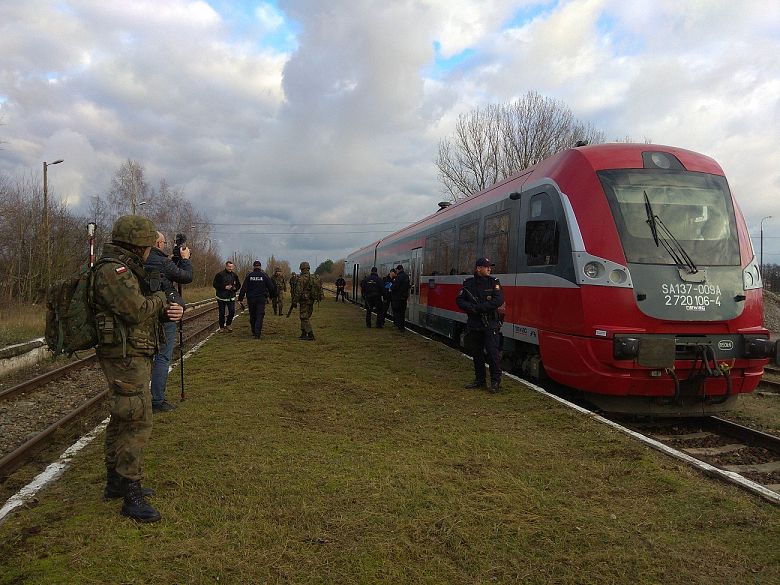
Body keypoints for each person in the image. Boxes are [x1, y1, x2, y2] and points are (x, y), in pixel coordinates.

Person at [93, 215, 184, 523]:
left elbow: (142, 313)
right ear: (137, 244)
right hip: (124, 356)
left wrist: (168, 311)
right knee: (136, 419)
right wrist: (162, 297)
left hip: (132, 352)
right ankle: (130, 491)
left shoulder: (128, 270)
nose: (150, 251)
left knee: (123, 417)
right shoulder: (113, 271)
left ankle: (116, 482)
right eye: (148, 245)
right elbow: (136, 310)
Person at [145, 231, 192, 413]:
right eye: (163, 243)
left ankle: (140, 399)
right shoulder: (162, 262)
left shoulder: (137, 260)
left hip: (143, 312)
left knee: (143, 357)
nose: (164, 246)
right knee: (162, 357)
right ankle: (157, 400)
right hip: (166, 313)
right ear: (158, 243)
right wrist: (185, 259)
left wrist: (172, 258)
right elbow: (186, 276)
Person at [455, 257, 505, 393]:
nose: (489, 269)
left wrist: (480, 308)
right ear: (478, 268)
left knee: (493, 353)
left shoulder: (494, 282)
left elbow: (499, 300)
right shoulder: (468, 284)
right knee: (477, 354)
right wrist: (470, 307)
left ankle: (495, 382)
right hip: (474, 324)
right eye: (486, 266)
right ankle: (480, 380)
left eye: (490, 267)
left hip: (490, 323)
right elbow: (459, 300)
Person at [237, 261, 276, 339]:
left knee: (252, 315)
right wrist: (272, 296)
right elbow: (271, 287)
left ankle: (254, 331)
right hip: (261, 299)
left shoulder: (249, 276)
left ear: (253, 267)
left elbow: (244, 288)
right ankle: (257, 334)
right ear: (260, 267)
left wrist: (240, 299)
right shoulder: (264, 276)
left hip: (251, 299)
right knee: (260, 315)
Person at [290, 261, 323, 340]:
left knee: (304, 317)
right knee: (305, 316)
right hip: (311, 300)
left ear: (301, 268)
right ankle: (303, 333)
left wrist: (294, 302)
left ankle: (310, 334)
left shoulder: (301, 279)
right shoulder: (313, 277)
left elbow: (298, 292)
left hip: (304, 301)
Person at [213, 261, 241, 331]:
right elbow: (215, 284)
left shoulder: (234, 275)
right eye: (229, 267)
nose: (230, 268)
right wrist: (224, 287)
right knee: (221, 312)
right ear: (226, 266)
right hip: (221, 297)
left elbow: (238, 285)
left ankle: (228, 324)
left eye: (232, 267)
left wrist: (235, 288)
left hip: (231, 296)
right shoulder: (219, 275)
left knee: (232, 311)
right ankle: (221, 327)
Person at [390, 264, 410, 331]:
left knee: (397, 312)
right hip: (404, 298)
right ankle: (402, 327)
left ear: (398, 270)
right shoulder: (406, 276)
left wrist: (391, 287)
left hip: (397, 298)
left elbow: (394, 287)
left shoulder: (398, 277)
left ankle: (398, 326)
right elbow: (408, 286)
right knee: (402, 313)